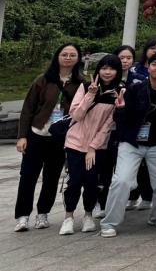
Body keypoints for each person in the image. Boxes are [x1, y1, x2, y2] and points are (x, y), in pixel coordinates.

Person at [101, 49, 156, 237]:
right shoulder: (134, 89)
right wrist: (120, 110)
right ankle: (109, 222)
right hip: (132, 142)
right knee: (122, 180)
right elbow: (121, 118)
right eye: (154, 64)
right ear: (147, 67)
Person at [14, 43, 81, 232]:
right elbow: (28, 109)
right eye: (64, 54)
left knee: (51, 177)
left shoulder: (80, 83)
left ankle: (43, 213)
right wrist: (22, 136)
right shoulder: (43, 80)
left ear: (78, 59)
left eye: (72, 55)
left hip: (59, 138)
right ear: (57, 56)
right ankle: (22, 216)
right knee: (28, 176)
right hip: (37, 134)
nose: (68, 58)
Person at [60, 54, 124, 235]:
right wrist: (91, 94)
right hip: (75, 142)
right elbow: (76, 115)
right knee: (74, 181)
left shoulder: (118, 92)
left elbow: (108, 125)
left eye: (111, 68)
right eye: (104, 68)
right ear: (98, 70)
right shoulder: (86, 86)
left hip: (97, 146)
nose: (107, 72)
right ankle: (68, 217)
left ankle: (88, 215)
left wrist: (93, 147)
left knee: (91, 182)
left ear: (117, 71)